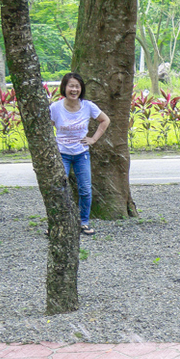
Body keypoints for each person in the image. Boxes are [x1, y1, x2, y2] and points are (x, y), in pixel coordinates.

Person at [49, 72, 111, 236]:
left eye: (77, 86)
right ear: (64, 87)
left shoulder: (88, 106)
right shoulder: (55, 108)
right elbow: (48, 126)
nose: (74, 90)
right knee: (58, 189)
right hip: (62, 154)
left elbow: (105, 120)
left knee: (85, 189)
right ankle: (57, 224)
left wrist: (93, 139)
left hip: (82, 153)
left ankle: (84, 222)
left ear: (81, 89)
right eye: (71, 86)